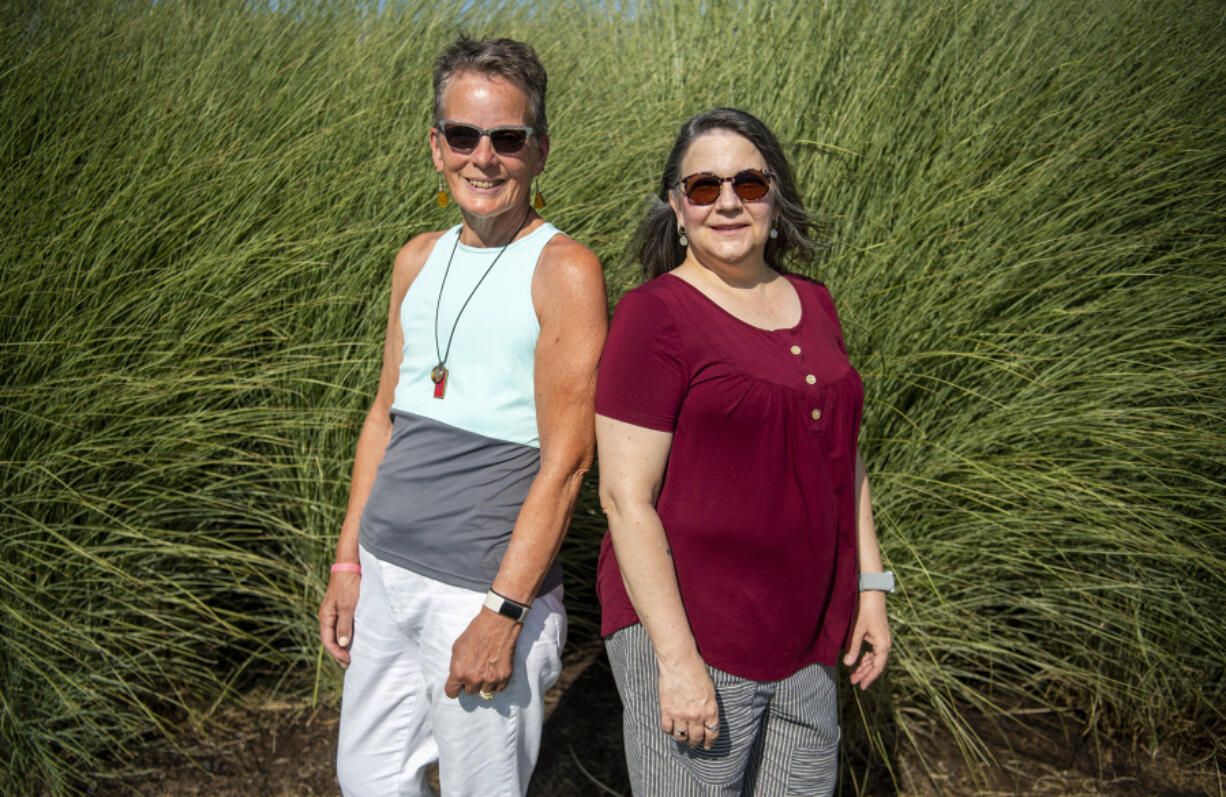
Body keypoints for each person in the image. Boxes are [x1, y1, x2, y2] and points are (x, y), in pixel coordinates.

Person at [317, 35, 607, 797]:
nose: (485, 157)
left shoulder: (565, 270)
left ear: (539, 151)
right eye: (463, 135)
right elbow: (384, 417)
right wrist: (348, 562)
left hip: (478, 591)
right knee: (370, 776)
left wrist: (503, 611)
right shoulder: (416, 256)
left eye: (507, 138)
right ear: (436, 147)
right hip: (385, 572)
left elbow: (568, 461)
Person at [594, 108, 893, 796]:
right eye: (703, 188)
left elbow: (843, 457)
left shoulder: (816, 304)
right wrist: (677, 662)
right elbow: (623, 497)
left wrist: (870, 588)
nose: (727, 202)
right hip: (696, 632)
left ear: (776, 199)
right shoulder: (655, 313)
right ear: (676, 206)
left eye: (749, 185)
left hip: (805, 633)